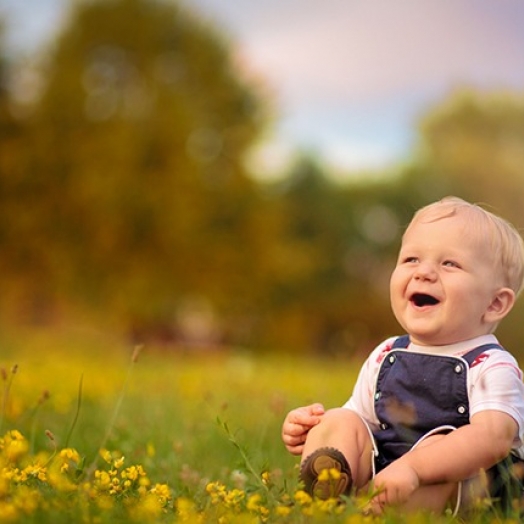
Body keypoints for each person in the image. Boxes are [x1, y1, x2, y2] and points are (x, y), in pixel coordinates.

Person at [281, 196, 524, 515]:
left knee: (441, 448)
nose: (423, 272)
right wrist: (312, 428)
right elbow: (362, 421)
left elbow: (493, 438)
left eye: (449, 263)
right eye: (411, 259)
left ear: (494, 304)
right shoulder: (385, 353)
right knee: (340, 419)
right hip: (391, 474)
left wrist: (415, 468)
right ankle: (327, 487)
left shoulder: (491, 365)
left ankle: (370, 511)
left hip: (466, 490)